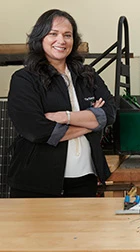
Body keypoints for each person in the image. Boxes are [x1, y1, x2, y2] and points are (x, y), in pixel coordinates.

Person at [7, 9, 116, 197]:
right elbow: (37, 131)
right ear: (40, 37)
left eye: (68, 35)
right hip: (36, 183)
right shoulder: (24, 79)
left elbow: (110, 113)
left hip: (85, 179)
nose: (61, 40)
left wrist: (66, 117)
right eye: (53, 34)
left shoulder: (87, 75)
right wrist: (91, 124)